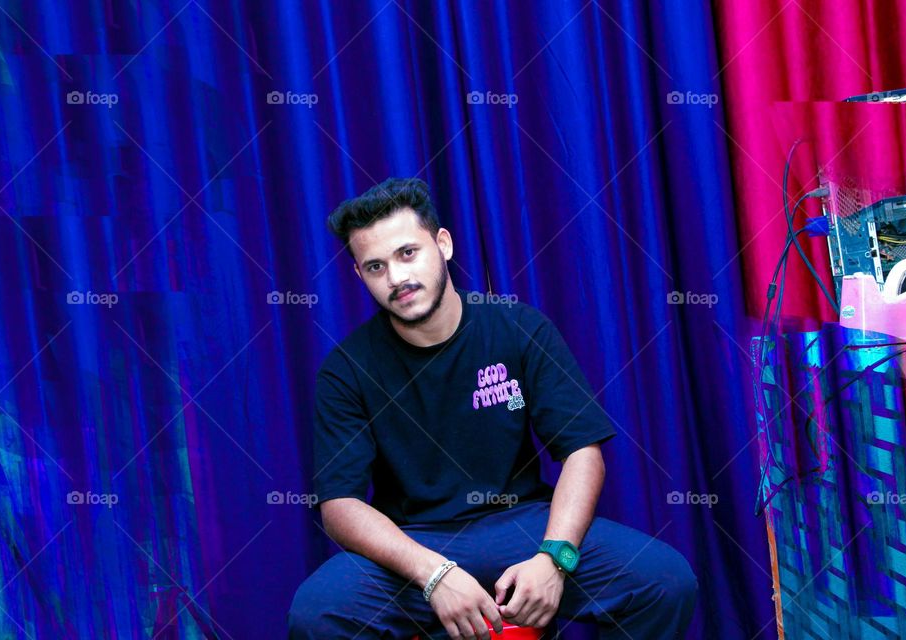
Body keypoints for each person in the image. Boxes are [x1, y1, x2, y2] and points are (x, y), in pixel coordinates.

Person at [288, 178, 697, 639]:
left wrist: (554, 558)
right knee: (317, 613)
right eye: (376, 266)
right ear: (360, 276)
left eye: (408, 253)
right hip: (416, 542)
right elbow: (339, 505)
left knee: (665, 580)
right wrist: (433, 574)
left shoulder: (518, 328)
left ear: (442, 244)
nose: (397, 278)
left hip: (522, 525)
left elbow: (583, 452)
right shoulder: (346, 369)